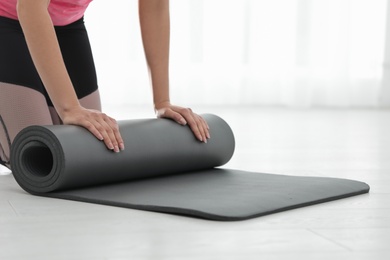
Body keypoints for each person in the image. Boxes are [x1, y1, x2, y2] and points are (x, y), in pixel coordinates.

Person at [0, 0, 210, 170]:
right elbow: (30, 7)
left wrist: (162, 101)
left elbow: (155, 5)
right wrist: (70, 108)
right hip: (9, 16)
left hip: (67, 24)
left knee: (82, 151)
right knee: (34, 154)